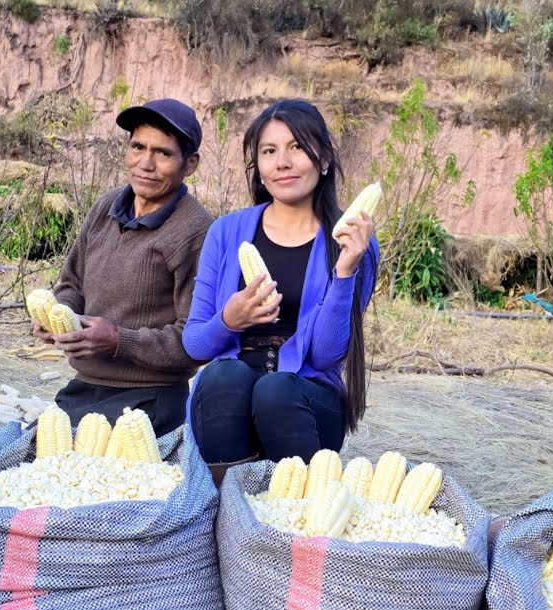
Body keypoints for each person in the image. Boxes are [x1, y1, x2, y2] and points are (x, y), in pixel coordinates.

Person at [182, 99, 378, 480]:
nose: (282, 162)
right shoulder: (224, 233)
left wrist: (344, 272)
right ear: (259, 168)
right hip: (227, 398)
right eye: (269, 151)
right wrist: (229, 320)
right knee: (224, 377)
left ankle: (297, 513)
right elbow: (195, 345)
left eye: (297, 147)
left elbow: (324, 357)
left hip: (305, 398)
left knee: (275, 392)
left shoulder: (354, 241)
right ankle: (227, 510)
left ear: (323, 159)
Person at [34, 98, 212, 437]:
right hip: (85, 386)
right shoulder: (106, 207)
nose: (145, 163)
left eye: (163, 153)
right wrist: (58, 315)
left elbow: (196, 340)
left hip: (149, 400)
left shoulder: (195, 231)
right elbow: (73, 283)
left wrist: (118, 340)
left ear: (190, 164)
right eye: (137, 147)